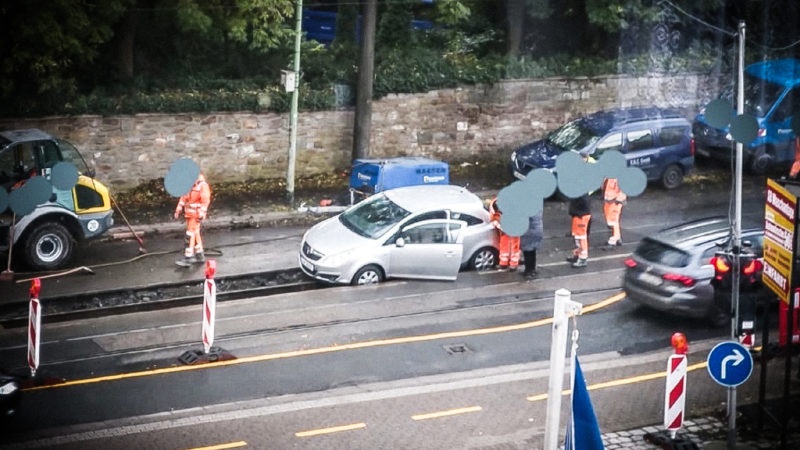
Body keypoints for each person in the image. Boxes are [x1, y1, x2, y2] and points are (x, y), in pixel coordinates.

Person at [174, 173, 212, 267]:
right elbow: (183, 198)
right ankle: (199, 255)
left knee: (190, 235)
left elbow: (205, 201)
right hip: (189, 215)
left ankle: (188, 257)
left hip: (195, 215)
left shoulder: (202, 186)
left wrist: (201, 214)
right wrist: (178, 210)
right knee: (195, 234)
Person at [489, 197, 520, 271]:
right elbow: (493, 219)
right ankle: (503, 263)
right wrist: (501, 227)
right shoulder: (494, 205)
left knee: (514, 245)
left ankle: (514, 264)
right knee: (504, 244)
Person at [602, 177, 626, 247]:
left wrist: (618, 200)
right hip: (609, 200)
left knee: (613, 221)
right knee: (611, 221)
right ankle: (617, 238)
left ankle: (613, 241)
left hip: (615, 201)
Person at [520, 209, 543, 279]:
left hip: (529, 230)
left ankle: (528, 271)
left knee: (527, 251)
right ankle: (533, 269)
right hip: (538, 229)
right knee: (533, 250)